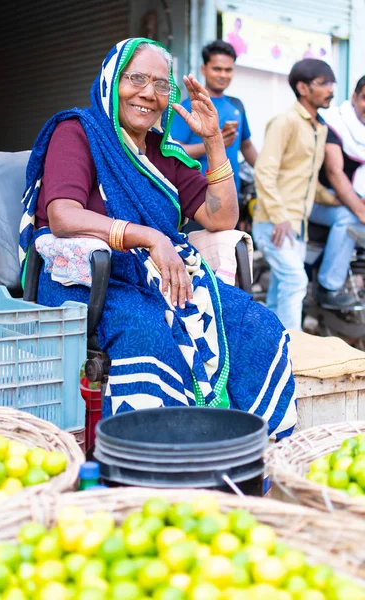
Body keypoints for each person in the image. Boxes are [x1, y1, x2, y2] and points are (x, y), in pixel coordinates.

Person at [19, 37, 296, 439]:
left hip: (168, 279)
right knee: (148, 336)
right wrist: (150, 237)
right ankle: (156, 462)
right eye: (136, 79)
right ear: (112, 81)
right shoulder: (78, 131)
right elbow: (63, 216)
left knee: (258, 324)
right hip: (90, 281)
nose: (149, 93)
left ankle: (248, 450)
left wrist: (214, 142)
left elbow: (222, 217)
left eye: (162, 85)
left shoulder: (163, 152)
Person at [253, 59, 336, 330]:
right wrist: (279, 217)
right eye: (323, 83)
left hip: (298, 226)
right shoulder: (285, 121)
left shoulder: (319, 128)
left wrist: (339, 200)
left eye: (331, 83)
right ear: (302, 87)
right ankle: (294, 350)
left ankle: (269, 348)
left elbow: (308, 179)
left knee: (280, 295)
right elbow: (264, 171)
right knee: (295, 281)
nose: (330, 89)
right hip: (276, 223)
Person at [171, 40, 257, 195]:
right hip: (196, 197)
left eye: (228, 70)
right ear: (204, 69)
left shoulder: (237, 105)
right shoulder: (190, 105)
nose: (223, 75)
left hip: (231, 196)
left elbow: (247, 146)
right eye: (217, 69)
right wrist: (214, 143)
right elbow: (174, 151)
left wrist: (268, 174)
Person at [309, 76, 365, 306]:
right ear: (354, 97)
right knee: (351, 219)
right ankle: (328, 287)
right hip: (318, 199)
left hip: (348, 198)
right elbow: (335, 173)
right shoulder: (334, 123)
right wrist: (361, 210)